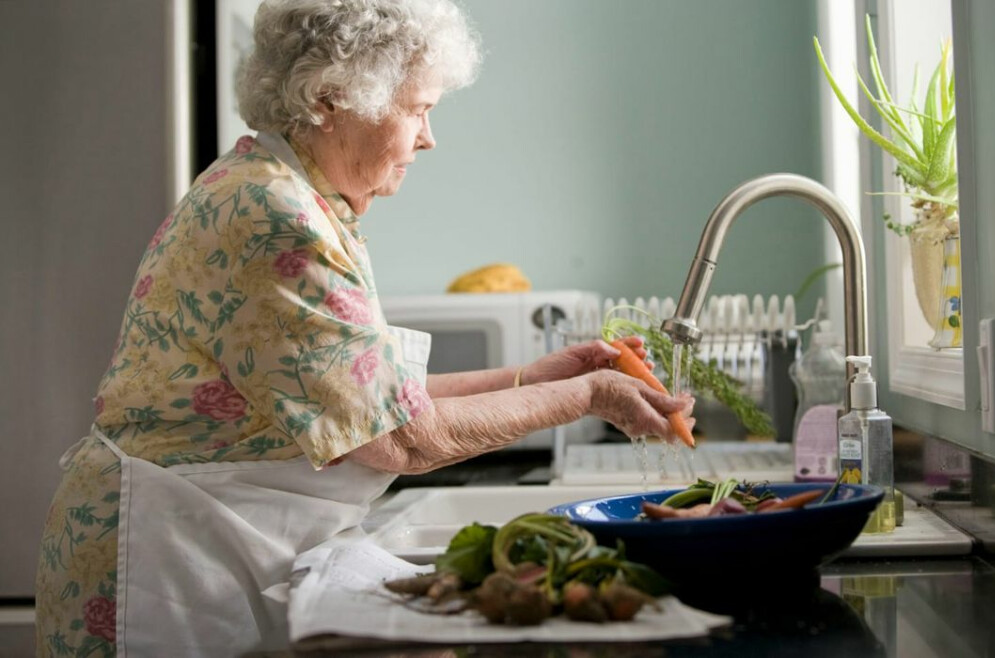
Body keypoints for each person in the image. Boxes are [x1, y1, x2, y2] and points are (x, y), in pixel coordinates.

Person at [35, 0, 694, 655]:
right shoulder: (275, 218)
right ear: (331, 99)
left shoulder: (285, 195)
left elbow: (373, 399)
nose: (429, 136)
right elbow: (400, 439)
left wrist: (536, 376)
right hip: (164, 558)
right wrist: (587, 396)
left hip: (203, 538)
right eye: (417, 109)